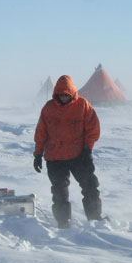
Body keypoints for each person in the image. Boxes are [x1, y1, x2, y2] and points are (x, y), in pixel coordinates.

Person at [33, 75, 102, 229]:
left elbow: (93, 128)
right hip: (55, 157)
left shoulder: (83, 105)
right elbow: (41, 133)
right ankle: (63, 223)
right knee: (59, 194)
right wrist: (38, 154)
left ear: (72, 93)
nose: (64, 97)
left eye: (67, 95)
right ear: (56, 93)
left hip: (79, 156)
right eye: (61, 94)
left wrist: (87, 149)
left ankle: (95, 219)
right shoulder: (48, 108)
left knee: (90, 186)